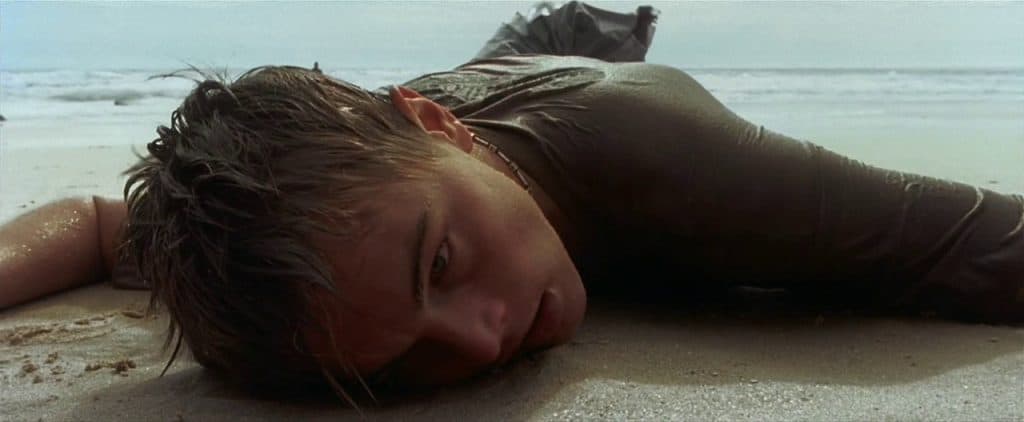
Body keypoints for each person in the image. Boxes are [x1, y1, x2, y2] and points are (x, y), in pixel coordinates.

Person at [0, 1, 1021, 400]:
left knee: (593, 37)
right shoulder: (299, 236)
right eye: (406, 359)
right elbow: (96, 222)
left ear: (442, 135)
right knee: (493, 59)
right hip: (431, 117)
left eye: (438, 265)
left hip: (573, 96)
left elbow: (978, 241)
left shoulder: (661, 156)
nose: (483, 338)